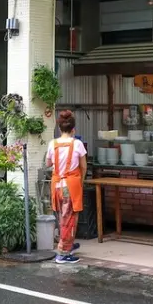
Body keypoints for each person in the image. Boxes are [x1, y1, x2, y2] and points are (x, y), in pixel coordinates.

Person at [46, 110, 87, 264]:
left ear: (59, 128)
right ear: (73, 129)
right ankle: (63, 253)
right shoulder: (77, 144)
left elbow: (48, 163)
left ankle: (67, 244)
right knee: (70, 218)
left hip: (57, 185)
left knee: (62, 217)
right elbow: (83, 166)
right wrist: (81, 181)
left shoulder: (52, 144)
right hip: (71, 185)